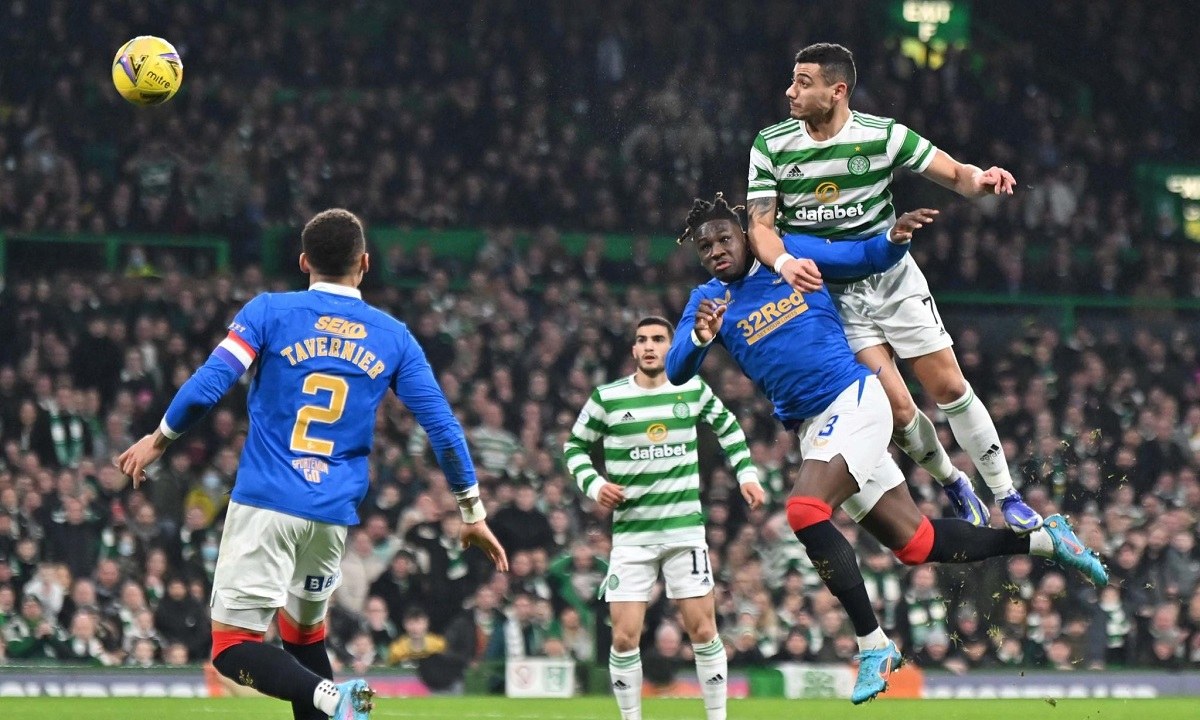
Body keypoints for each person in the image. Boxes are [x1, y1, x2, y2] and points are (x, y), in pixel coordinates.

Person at [665, 194, 1107, 704]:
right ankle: (1046, 541)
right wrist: (700, 338)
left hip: (853, 399)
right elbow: (676, 368)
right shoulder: (708, 300)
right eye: (705, 247)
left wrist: (893, 240)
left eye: (724, 238)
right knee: (916, 544)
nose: (716, 251)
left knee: (804, 510)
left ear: (745, 235)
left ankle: (873, 644)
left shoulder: (787, 255)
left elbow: (859, 256)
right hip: (815, 428)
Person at [118, 208, 508, 720]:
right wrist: (472, 511)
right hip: (330, 515)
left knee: (232, 648)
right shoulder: (394, 337)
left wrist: (160, 439)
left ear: (304, 262)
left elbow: (209, 385)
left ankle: (331, 696)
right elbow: (443, 429)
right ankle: (331, 700)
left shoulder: (268, 312)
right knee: (303, 641)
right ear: (364, 264)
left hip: (267, 502)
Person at [744, 42, 1039, 533]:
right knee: (899, 411)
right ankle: (953, 482)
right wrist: (785, 262)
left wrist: (980, 180)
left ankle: (1007, 494)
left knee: (949, 387)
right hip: (833, 297)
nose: (790, 91)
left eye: (803, 82)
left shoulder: (883, 135)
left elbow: (956, 175)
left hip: (892, 280)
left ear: (837, 91)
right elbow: (759, 226)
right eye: (793, 80)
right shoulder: (772, 144)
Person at [564, 315, 766, 720]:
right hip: (631, 538)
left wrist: (746, 474)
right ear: (634, 349)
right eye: (643, 340)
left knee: (704, 631)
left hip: (683, 532)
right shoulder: (608, 398)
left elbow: (728, 427)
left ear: (671, 348)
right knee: (624, 638)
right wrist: (595, 484)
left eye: (658, 339)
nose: (650, 346)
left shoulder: (690, 387)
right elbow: (574, 448)